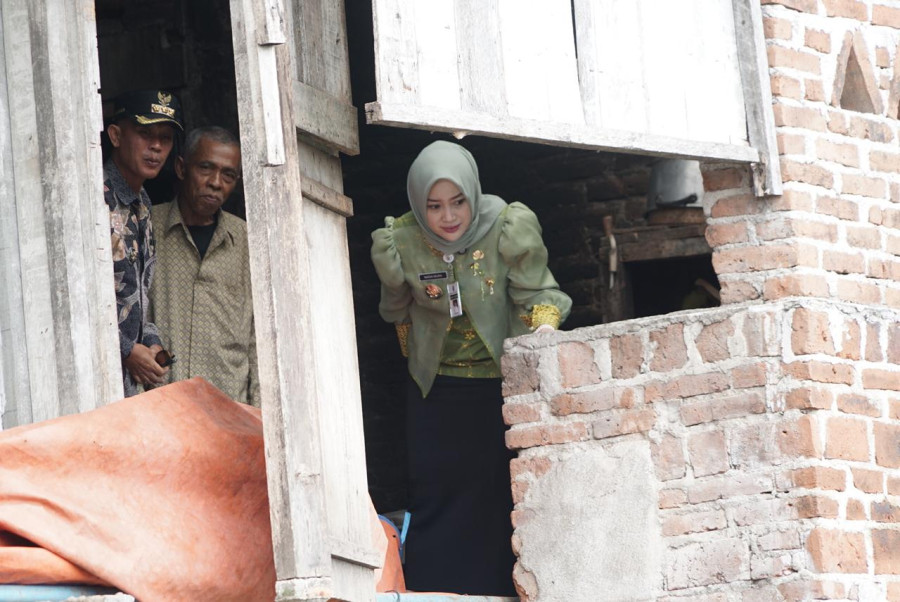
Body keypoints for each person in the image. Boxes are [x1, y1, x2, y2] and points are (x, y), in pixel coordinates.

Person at [370, 140, 572, 596]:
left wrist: (542, 331)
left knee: (496, 494)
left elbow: (538, 291)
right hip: (433, 392)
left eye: (458, 201)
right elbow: (397, 310)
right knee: (436, 495)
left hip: (497, 388)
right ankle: (438, 593)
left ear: (473, 195)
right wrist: (414, 357)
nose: (448, 216)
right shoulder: (399, 240)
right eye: (434, 205)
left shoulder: (505, 225)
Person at [150, 127, 260, 407]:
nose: (215, 183)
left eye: (228, 175)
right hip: (160, 408)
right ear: (181, 168)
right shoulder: (147, 226)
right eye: (206, 168)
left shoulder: (247, 240)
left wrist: (259, 415)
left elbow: (259, 337)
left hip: (229, 410)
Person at [105, 89, 183, 397]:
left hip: (130, 390)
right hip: (97, 378)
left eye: (165, 138)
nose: (156, 147)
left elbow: (139, 299)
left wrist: (151, 345)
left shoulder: (143, 204)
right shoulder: (97, 200)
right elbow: (78, 302)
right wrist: (126, 351)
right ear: (115, 135)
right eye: (144, 133)